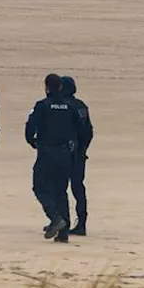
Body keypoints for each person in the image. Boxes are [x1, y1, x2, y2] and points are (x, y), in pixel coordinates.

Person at [24, 73, 86, 243]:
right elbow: (81, 129)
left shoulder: (42, 106)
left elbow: (30, 128)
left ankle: (55, 218)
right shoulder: (70, 107)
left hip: (47, 152)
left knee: (40, 187)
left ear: (46, 87)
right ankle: (63, 232)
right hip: (66, 153)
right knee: (61, 191)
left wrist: (32, 142)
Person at [60, 75, 94, 236]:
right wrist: (83, 149)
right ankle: (81, 222)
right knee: (78, 188)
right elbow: (89, 131)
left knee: (60, 188)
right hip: (80, 153)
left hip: (67, 153)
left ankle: (62, 221)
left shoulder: (65, 106)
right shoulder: (81, 105)